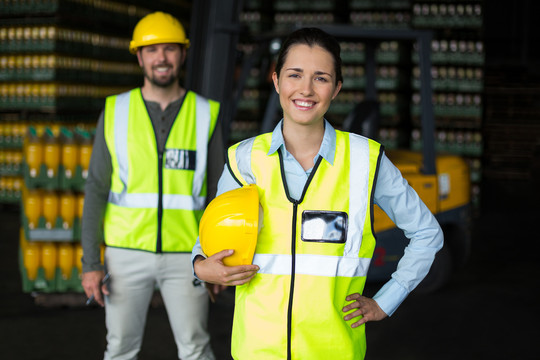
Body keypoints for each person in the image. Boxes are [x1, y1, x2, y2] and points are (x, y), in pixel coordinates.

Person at [192, 27, 443, 360]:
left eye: (321, 78)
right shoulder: (244, 160)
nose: (306, 90)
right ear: (277, 80)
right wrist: (199, 266)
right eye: (295, 75)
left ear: (336, 88)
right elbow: (209, 237)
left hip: (333, 350)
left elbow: (427, 233)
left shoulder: (365, 161)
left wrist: (387, 299)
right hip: (257, 349)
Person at [81, 11, 223, 360]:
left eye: (170, 49)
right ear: (140, 57)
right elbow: (97, 188)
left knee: (196, 347)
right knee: (120, 348)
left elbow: (221, 196)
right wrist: (90, 262)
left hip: (188, 255)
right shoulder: (115, 111)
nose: (162, 58)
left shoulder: (206, 113)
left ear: (183, 54)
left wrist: (218, 255)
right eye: (152, 49)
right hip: (125, 254)